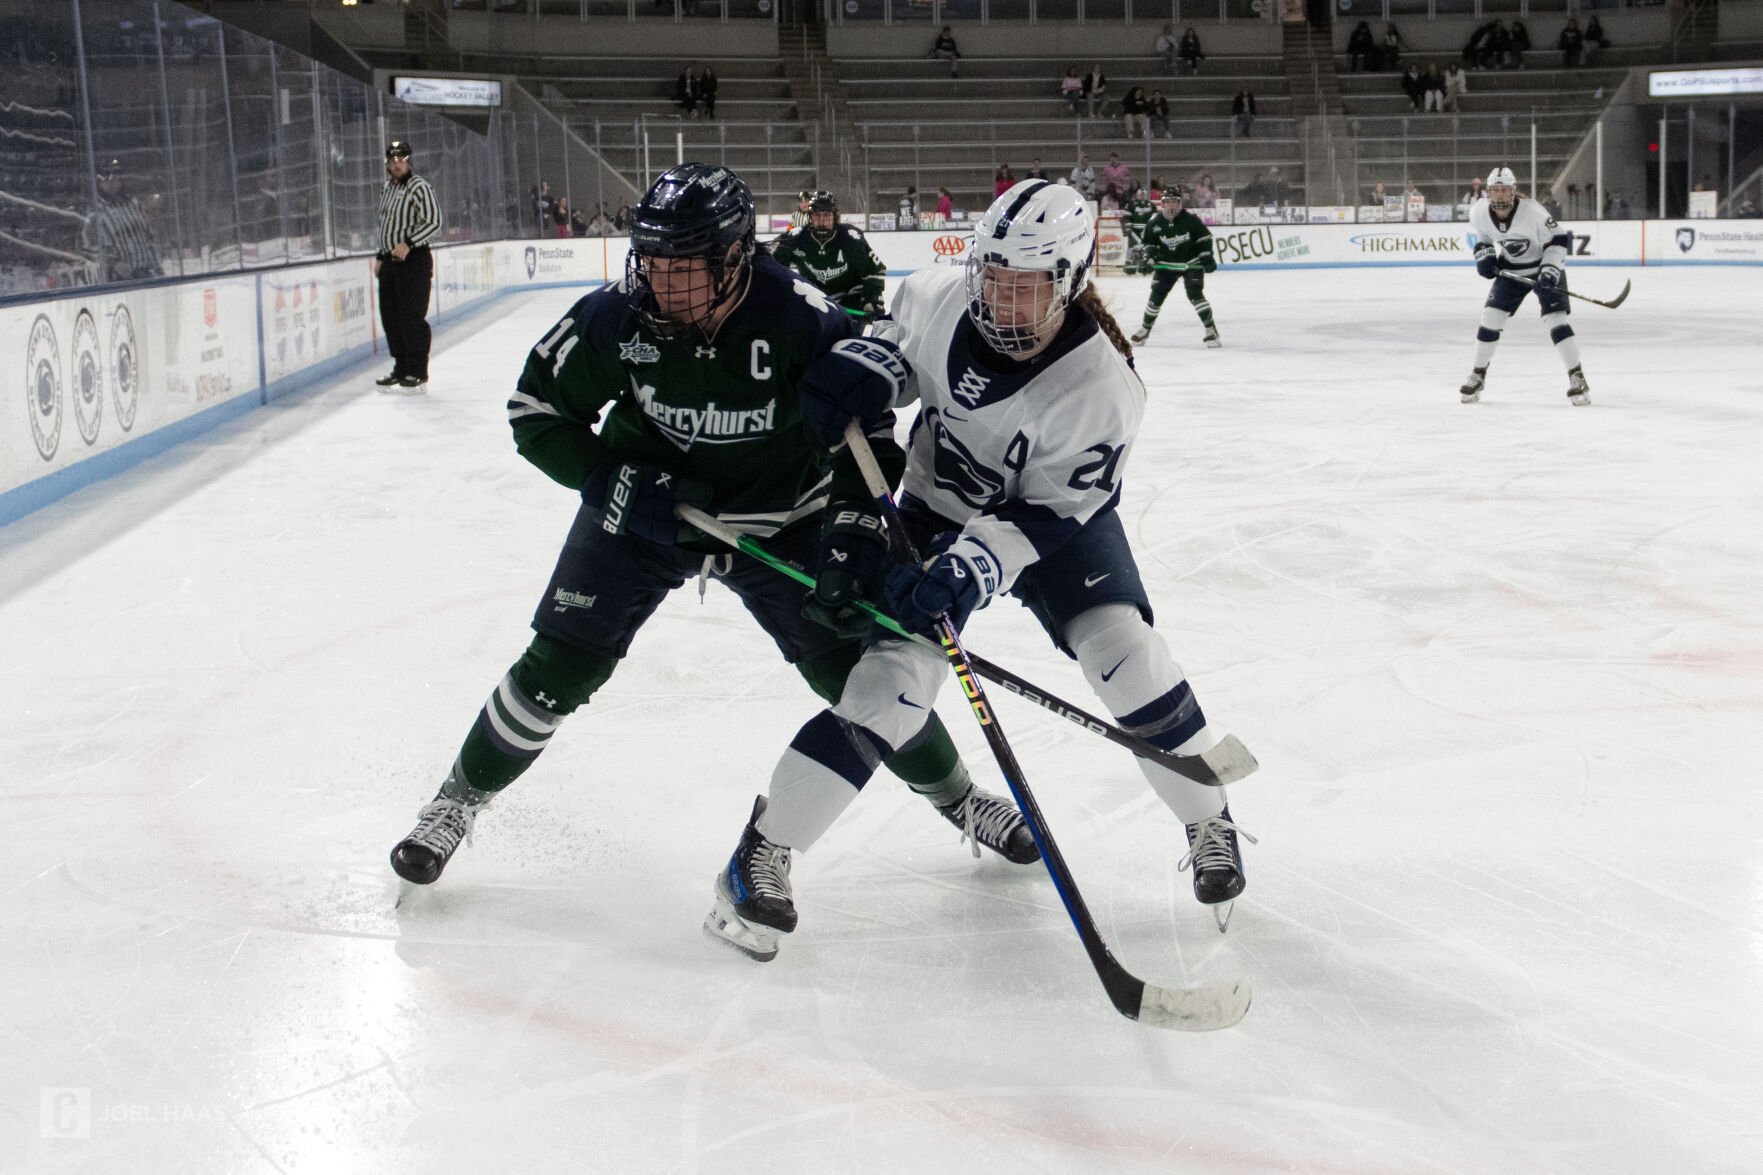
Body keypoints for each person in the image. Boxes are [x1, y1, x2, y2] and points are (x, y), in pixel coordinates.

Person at [387, 163, 1019, 896]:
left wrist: (851, 533)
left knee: (856, 675)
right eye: (651, 263)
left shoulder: (801, 319)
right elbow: (535, 411)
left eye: (683, 269)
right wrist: (609, 481)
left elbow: (867, 432)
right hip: (640, 514)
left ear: (734, 258)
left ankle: (960, 800)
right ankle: (454, 803)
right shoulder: (613, 317)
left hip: (782, 517)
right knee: (561, 663)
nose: (661, 283)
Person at [704, 180, 1254, 960]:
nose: (1002, 304)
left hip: (1054, 530)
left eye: (1024, 289)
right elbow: (904, 356)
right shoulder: (935, 297)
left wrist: (967, 571)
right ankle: (760, 854)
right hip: (933, 510)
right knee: (889, 685)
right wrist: (867, 371)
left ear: (1068, 282)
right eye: (991, 282)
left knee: (1123, 655)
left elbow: (1045, 517)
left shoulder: (1102, 390)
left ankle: (1208, 820)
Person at [1460, 166, 1589, 407]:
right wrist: (1484, 254)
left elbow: (1559, 239)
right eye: (1495, 190)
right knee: (1490, 317)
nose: (1499, 195)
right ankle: (1478, 374)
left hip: (1543, 266)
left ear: (1513, 192)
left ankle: (1577, 376)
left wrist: (1549, 272)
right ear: (1488, 192)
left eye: (1504, 190)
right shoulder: (1478, 212)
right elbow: (1484, 236)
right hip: (1510, 270)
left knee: (1556, 320)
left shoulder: (1533, 213)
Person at [372, 140, 442, 392]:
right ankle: (400, 368)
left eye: (401, 159)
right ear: (387, 163)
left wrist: (409, 243)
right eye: (393, 160)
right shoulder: (387, 188)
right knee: (391, 317)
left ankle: (417, 371)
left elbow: (434, 221)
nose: (397, 164)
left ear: (409, 161)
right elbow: (385, 225)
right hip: (390, 261)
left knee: (411, 317)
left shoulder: (419, 187)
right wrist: (381, 256)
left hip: (413, 261)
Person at [770, 190, 887, 316]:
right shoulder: (795, 238)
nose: (822, 222)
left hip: (850, 295)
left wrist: (872, 299)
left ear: (835, 217)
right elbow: (772, 265)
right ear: (810, 217)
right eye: (817, 216)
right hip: (815, 297)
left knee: (846, 334)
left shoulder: (851, 239)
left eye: (827, 216)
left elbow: (874, 270)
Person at [1129, 188, 1219, 349]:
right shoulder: (1155, 223)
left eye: (1174, 202)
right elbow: (1149, 245)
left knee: (1195, 294)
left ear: (1179, 203)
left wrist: (1206, 256)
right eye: (1167, 202)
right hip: (1167, 264)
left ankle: (1211, 329)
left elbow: (1204, 239)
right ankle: (1145, 329)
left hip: (1191, 263)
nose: (1171, 205)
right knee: (1156, 296)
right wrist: (1147, 259)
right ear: (1162, 203)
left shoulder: (1190, 220)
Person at [84, 158, 160, 283]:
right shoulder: (94, 212)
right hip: (120, 281)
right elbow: (88, 247)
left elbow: (149, 236)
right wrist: (113, 262)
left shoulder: (133, 204)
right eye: (107, 178)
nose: (112, 182)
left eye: (116, 177)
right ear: (98, 182)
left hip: (148, 273)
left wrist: (156, 266)